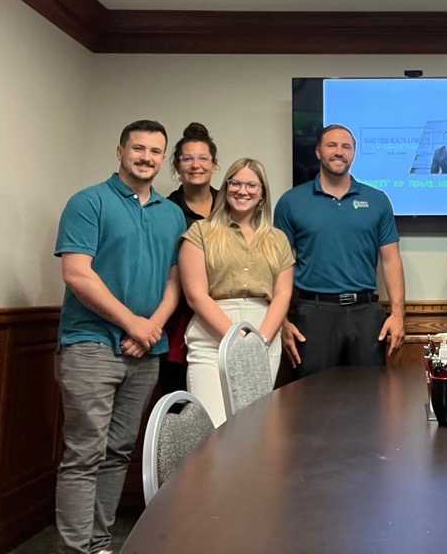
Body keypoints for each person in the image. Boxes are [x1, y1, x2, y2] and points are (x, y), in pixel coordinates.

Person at [53, 120, 185, 554]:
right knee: (84, 454)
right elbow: (77, 273)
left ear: (163, 158)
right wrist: (132, 323)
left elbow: (175, 282)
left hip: (146, 350)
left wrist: (150, 329)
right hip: (89, 344)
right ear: (120, 151)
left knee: (118, 452)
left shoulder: (171, 213)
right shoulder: (88, 201)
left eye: (155, 151)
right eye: (138, 148)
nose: (146, 157)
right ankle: (76, 550)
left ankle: (98, 544)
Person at [275, 124, 406, 377]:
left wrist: (399, 314)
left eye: (346, 146)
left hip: (365, 313)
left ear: (353, 153)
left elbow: (391, 260)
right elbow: (278, 265)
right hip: (313, 313)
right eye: (331, 145)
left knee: (369, 393)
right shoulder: (291, 202)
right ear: (318, 152)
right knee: (312, 394)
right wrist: (281, 320)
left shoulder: (377, 200)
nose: (339, 151)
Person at [178, 158, 294, 425]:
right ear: (226, 187)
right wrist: (238, 339)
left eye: (252, 185)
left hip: (264, 330)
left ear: (262, 193)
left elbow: (282, 295)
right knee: (213, 424)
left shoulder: (277, 239)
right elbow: (195, 295)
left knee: (254, 425)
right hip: (212, 330)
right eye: (236, 183)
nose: (243, 191)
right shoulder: (201, 232)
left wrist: (258, 341)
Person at [160, 122, 220, 395]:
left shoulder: (232, 206)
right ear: (177, 165)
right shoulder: (163, 210)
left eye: (203, 158)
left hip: (225, 312)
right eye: (187, 158)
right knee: (180, 400)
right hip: (177, 317)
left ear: (214, 164)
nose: (196, 165)